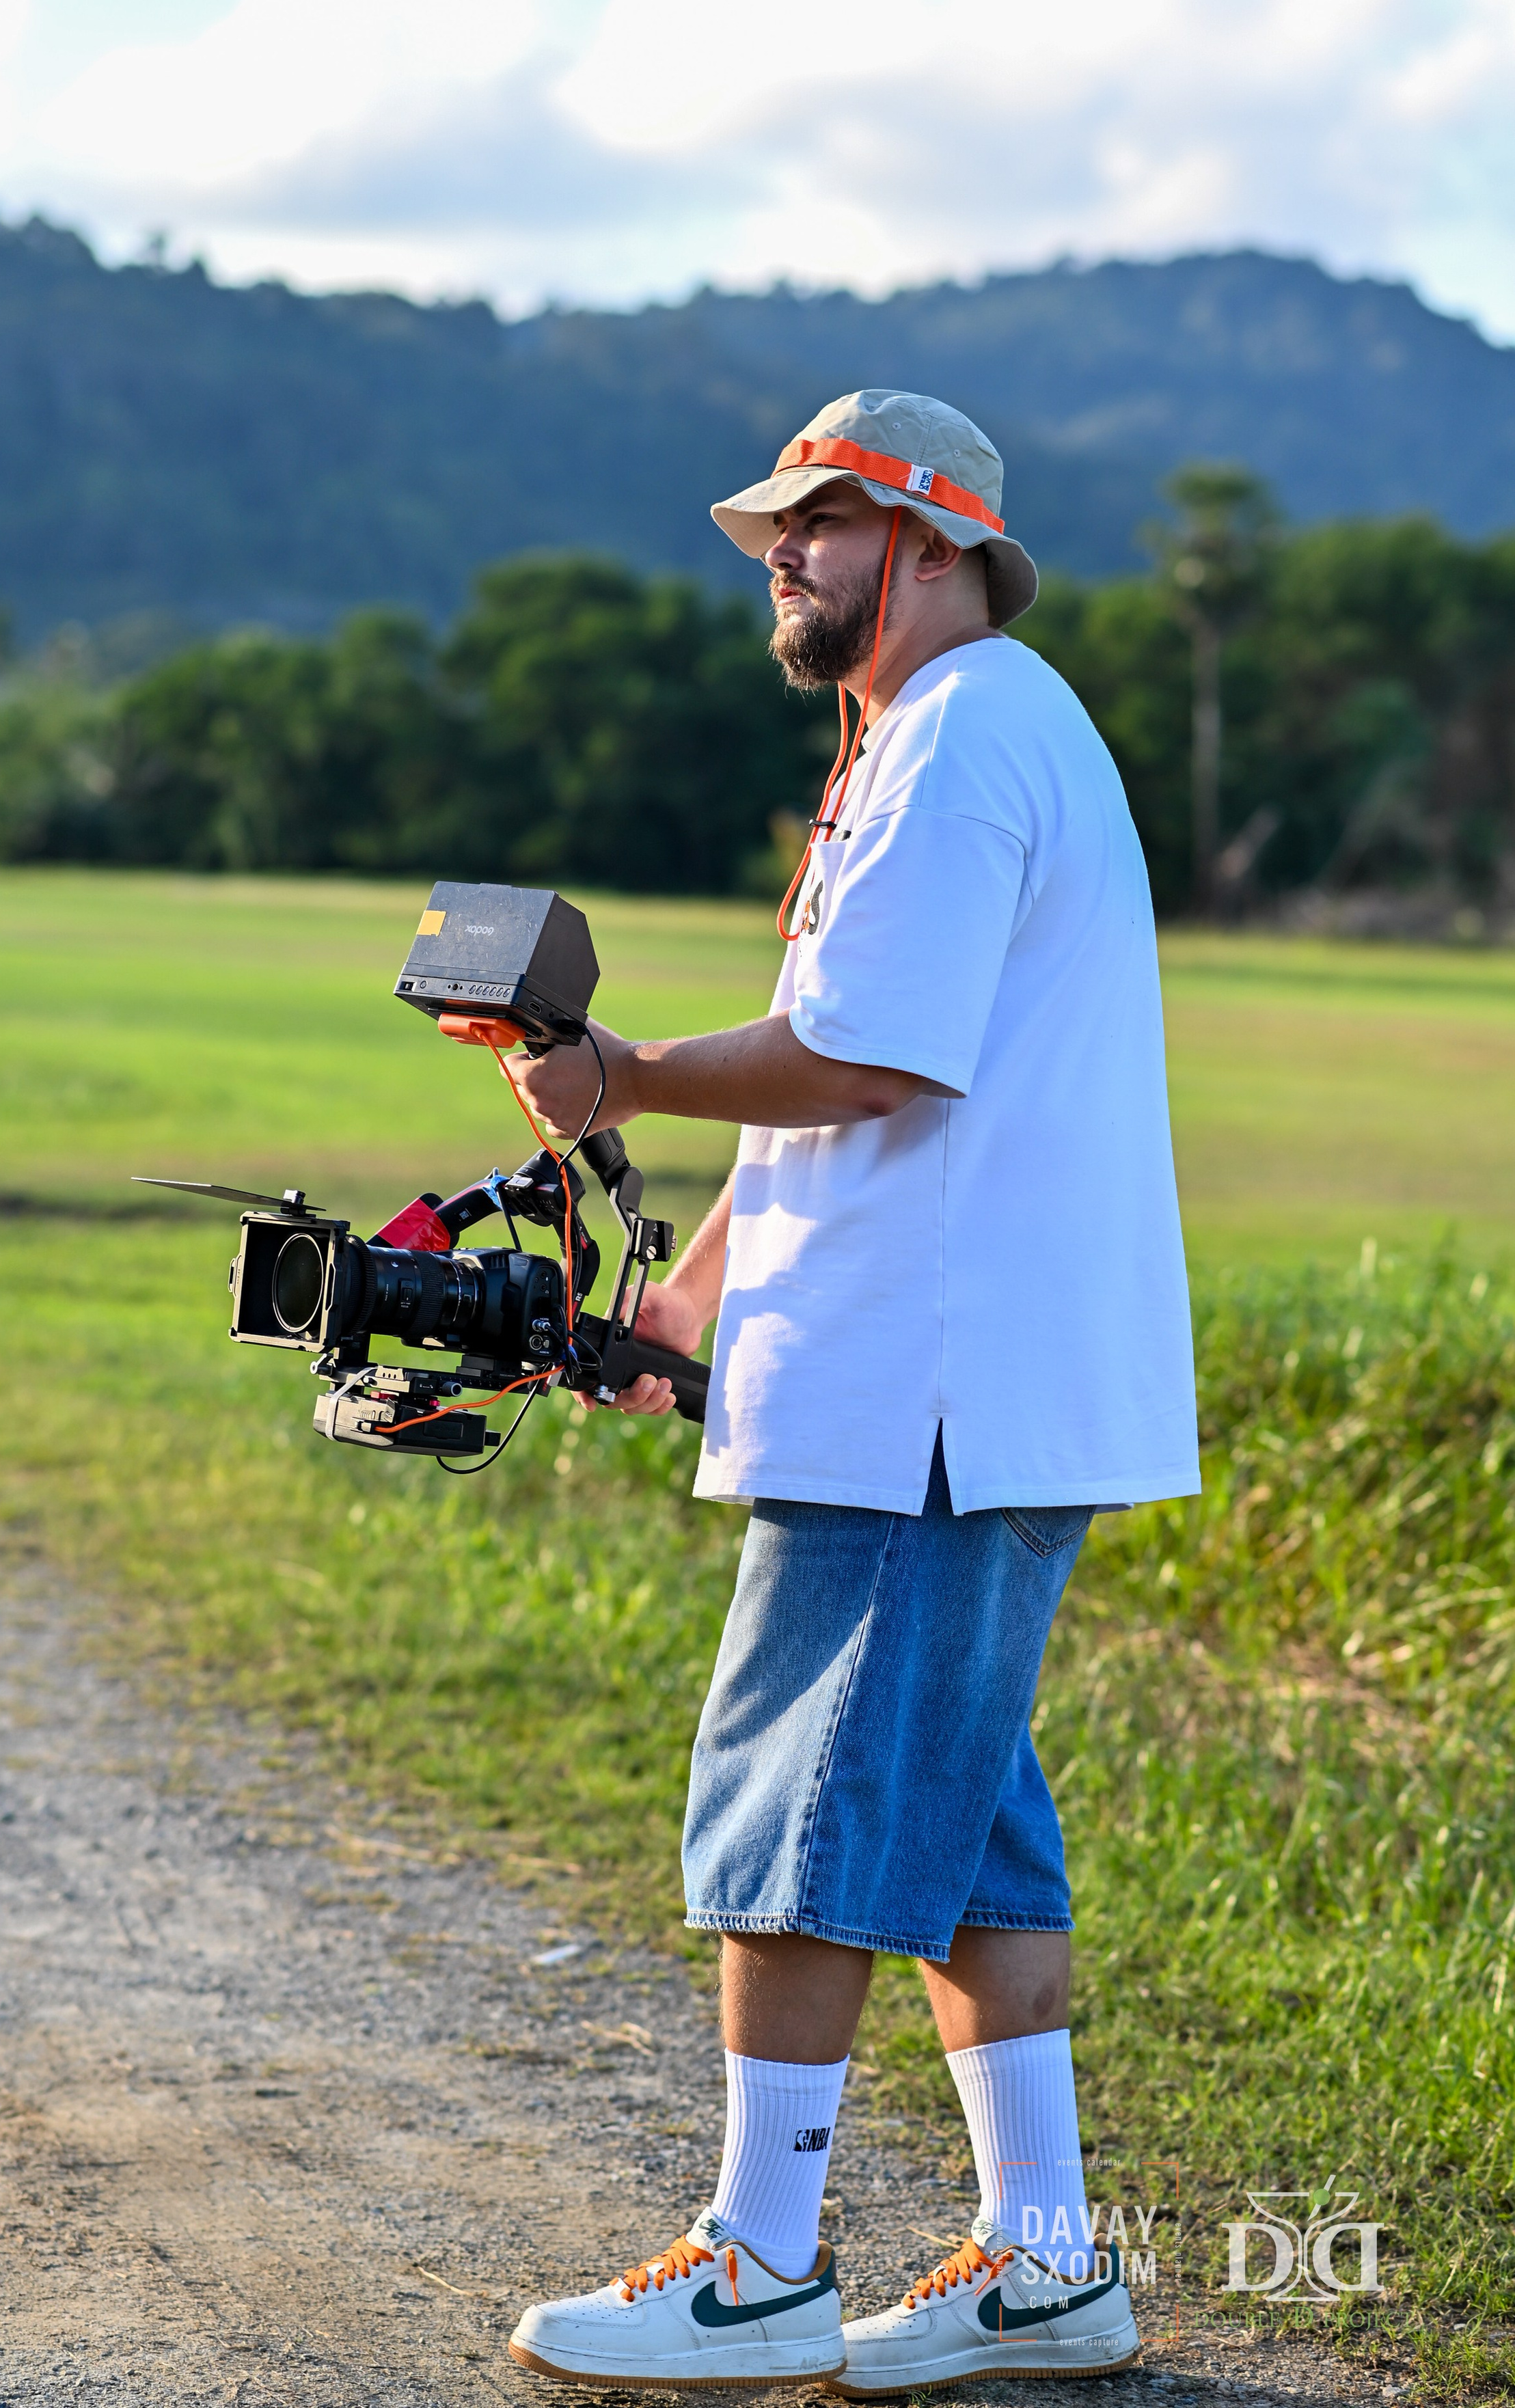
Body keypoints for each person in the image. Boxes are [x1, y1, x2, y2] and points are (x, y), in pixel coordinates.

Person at [503, 389, 1199, 2394]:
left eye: (816, 526)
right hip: (919, 1382)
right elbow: (837, 1089)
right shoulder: (925, 740)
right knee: (967, 1828)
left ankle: (762, 2260)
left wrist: (622, 1076)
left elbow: (868, 1063)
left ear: (925, 536)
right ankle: (1051, 2266)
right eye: (779, 531)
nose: (782, 562)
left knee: (796, 1801)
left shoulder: (970, 733)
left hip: (931, 1402)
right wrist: (699, 1299)